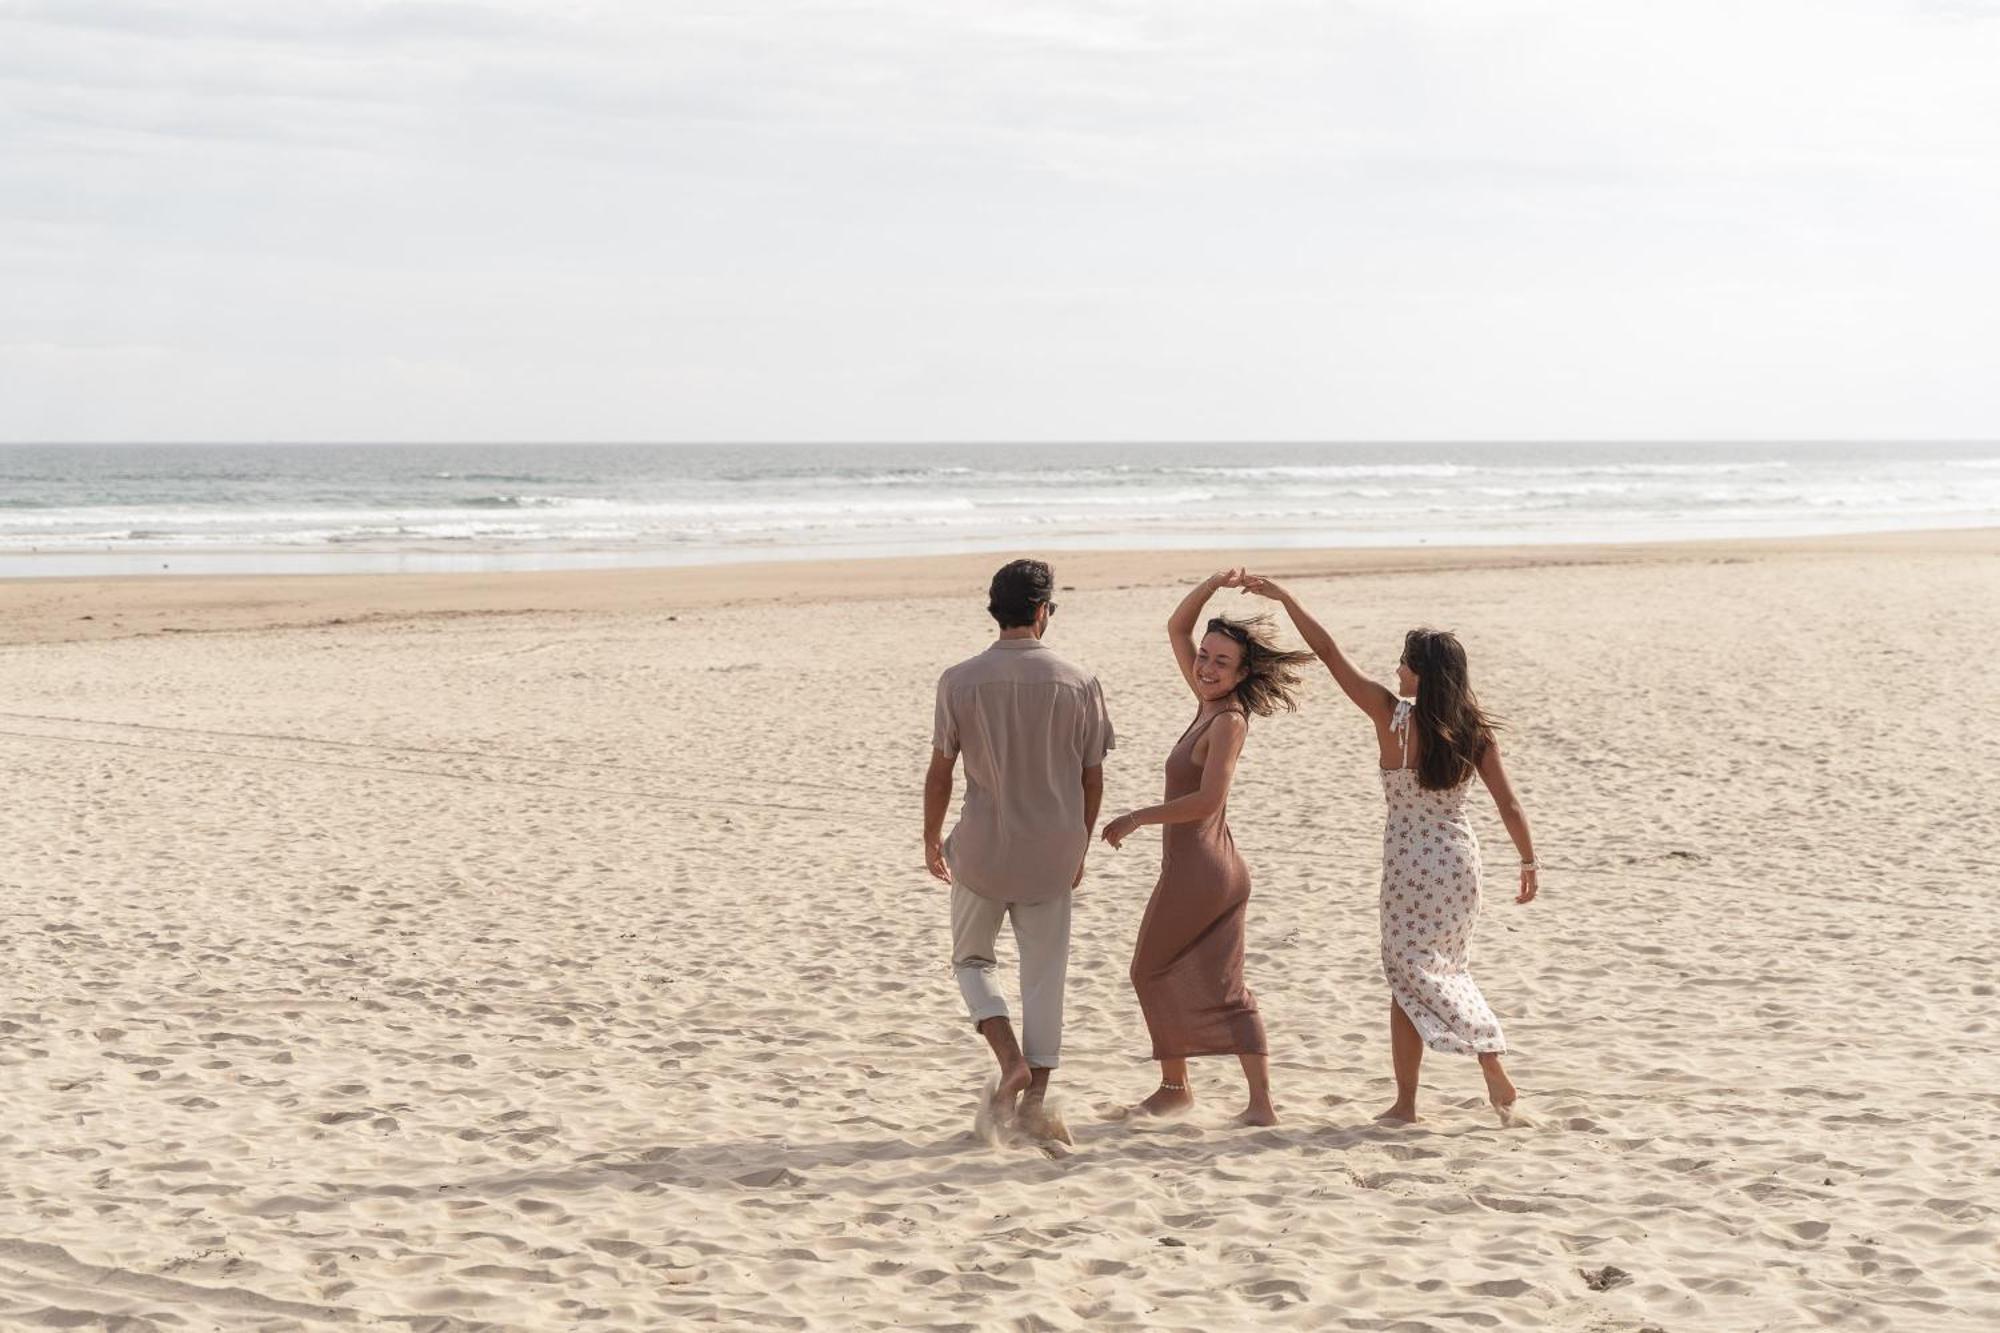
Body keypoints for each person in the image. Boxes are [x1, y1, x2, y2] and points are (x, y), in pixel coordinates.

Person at [1243, 575, 1538, 1126]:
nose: (1397, 670)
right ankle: (1412, 1099)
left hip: (1408, 864)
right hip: (1458, 860)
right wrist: (1527, 862)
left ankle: (1475, 1059)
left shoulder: (1390, 716)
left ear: (1422, 673)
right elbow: (1510, 806)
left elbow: (1328, 653)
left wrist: (1285, 600)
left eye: (1404, 662)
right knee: (1439, 969)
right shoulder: (1473, 731)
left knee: (1409, 975)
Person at [1101, 569, 1314, 1126]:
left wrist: (1136, 817)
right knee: (1192, 976)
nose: (1207, 667)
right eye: (1206, 657)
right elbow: (1177, 628)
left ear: (1243, 674)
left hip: (1204, 872)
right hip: (1201, 867)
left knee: (1155, 971)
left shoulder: (1229, 720)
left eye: (1222, 662)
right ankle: (1200, 1092)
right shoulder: (1205, 701)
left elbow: (1206, 799)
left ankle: (1206, 1094)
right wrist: (1213, 583)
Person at [925, 558, 1115, 1138]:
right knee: (1044, 975)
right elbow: (1092, 777)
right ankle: (1034, 1102)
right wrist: (1079, 844)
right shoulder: (1078, 680)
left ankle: (1007, 1060)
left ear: (995, 610)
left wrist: (930, 836)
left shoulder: (958, 680)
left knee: (972, 960)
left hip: (983, 849)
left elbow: (941, 772)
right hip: (1053, 849)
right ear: (1041, 611)